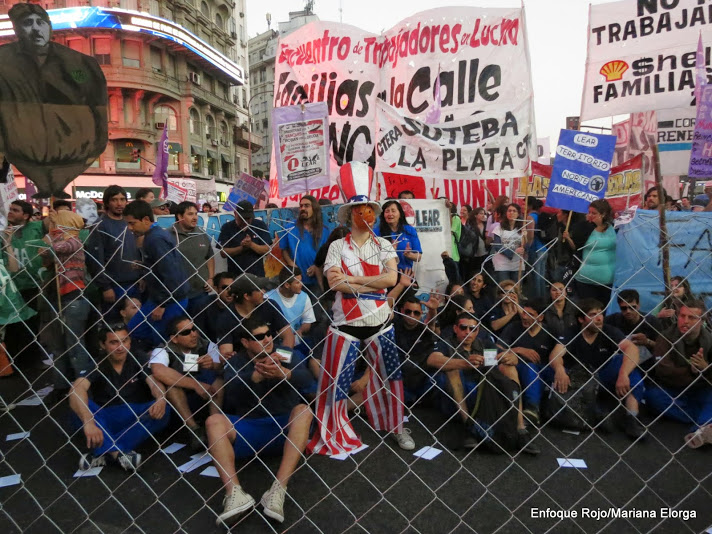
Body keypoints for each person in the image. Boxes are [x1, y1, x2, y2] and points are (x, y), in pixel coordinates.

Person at [307, 187, 413, 456]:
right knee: (336, 379)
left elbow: (391, 280)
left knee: (391, 375)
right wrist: (372, 286)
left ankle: (397, 426)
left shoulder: (385, 245)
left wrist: (352, 280)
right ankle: (332, 427)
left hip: (380, 320)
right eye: (359, 210)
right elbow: (334, 282)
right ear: (350, 216)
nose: (366, 214)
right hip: (345, 323)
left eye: (370, 210)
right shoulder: (336, 246)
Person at [209, 316, 313, 526]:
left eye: (269, 334)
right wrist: (253, 378)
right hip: (250, 430)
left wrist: (285, 374)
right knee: (213, 421)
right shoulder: (237, 361)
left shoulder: (284, 354)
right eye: (259, 337)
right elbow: (231, 394)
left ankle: (278, 491)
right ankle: (235, 494)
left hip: (283, 429)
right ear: (245, 342)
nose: (267, 339)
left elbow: (307, 379)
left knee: (303, 410)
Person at [0, 3, 108, 199]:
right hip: (24, 156)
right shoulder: (3, 61)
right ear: (16, 28)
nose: (35, 28)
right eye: (27, 23)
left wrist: (95, 145)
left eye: (40, 22)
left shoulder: (81, 63)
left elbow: (98, 110)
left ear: (49, 27)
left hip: (72, 157)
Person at [427, 312, 539, 454]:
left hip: (485, 392)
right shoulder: (447, 343)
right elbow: (432, 359)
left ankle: (520, 428)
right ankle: (469, 425)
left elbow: (510, 358)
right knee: (452, 369)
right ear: (455, 329)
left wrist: (508, 358)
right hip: (457, 396)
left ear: (477, 331)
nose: (468, 332)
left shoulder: (484, 344)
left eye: (472, 329)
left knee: (508, 367)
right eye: (463, 328)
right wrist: (464, 363)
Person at [69, 325, 170, 471]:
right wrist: (89, 421)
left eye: (124, 341)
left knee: (164, 410)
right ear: (103, 345)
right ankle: (119, 454)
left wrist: (161, 398)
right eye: (114, 342)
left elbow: (154, 384)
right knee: (78, 407)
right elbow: (77, 388)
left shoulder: (137, 357)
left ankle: (105, 452)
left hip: (133, 414)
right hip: (104, 416)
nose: (120, 347)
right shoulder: (98, 363)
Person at [557, 298, 645, 438]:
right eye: (592, 315)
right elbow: (556, 353)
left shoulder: (609, 330)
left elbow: (632, 349)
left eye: (600, 314)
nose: (599, 318)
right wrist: (559, 370)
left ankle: (632, 417)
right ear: (581, 319)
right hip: (580, 379)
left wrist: (623, 374)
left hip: (603, 375)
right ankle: (597, 414)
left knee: (627, 363)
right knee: (556, 369)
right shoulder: (571, 332)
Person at [149, 315, 223, 450]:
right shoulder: (163, 350)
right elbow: (158, 370)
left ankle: (214, 424)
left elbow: (224, 366)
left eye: (194, 329)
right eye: (186, 332)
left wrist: (213, 365)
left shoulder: (206, 345)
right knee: (171, 386)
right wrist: (195, 385)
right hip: (180, 405)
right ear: (174, 338)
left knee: (220, 380)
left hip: (209, 397)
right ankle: (194, 430)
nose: (193, 334)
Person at [123, 200, 190, 346]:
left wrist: (162, 304)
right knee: (138, 330)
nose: (130, 228)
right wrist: (144, 266)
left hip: (169, 299)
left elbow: (170, 273)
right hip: (161, 297)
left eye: (132, 223)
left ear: (146, 219)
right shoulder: (154, 235)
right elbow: (161, 265)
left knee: (164, 341)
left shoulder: (155, 239)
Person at [646, 300, 712, 447]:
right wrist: (691, 370)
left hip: (699, 388)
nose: (685, 321)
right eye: (682, 316)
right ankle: (705, 422)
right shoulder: (665, 338)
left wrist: (706, 367)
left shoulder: (709, 340)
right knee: (653, 397)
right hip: (673, 389)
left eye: (692, 318)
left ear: (702, 321)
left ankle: (699, 431)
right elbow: (663, 370)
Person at [40, 210, 92, 394]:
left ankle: (82, 384)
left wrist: (50, 234)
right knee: (58, 345)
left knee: (74, 344)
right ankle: (61, 385)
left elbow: (53, 248)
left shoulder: (74, 242)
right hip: (58, 298)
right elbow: (45, 256)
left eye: (57, 225)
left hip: (73, 299)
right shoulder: (63, 241)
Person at [498, 299, 563, 425]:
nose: (524, 317)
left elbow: (559, 352)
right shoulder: (513, 328)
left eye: (530, 315)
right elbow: (498, 348)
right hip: (522, 368)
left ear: (540, 317)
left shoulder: (550, 332)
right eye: (524, 313)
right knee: (530, 367)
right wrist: (518, 350)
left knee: (562, 371)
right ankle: (532, 408)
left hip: (544, 369)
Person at [85, 185, 141, 320]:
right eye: (114, 200)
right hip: (114, 286)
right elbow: (94, 259)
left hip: (135, 283)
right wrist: (105, 287)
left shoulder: (131, 222)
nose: (119, 203)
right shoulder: (100, 225)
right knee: (115, 326)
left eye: (122, 199)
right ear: (107, 202)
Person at [2, 199, 44, 366]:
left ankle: (32, 360)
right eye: (10, 209)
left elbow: (52, 225)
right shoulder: (3, 232)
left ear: (26, 215)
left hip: (32, 286)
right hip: (11, 288)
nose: (10, 212)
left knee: (31, 325)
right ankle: (13, 362)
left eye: (15, 210)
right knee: (12, 326)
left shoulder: (36, 227)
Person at [217, 273, 295, 359]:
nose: (263, 291)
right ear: (246, 296)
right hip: (245, 361)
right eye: (259, 289)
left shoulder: (270, 306)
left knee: (297, 360)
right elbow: (226, 352)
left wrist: (282, 358)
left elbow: (288, 336)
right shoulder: (226, 317)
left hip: (274, 355)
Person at [171, 201, 215, 317]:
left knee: (199, 324)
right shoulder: (169, 235)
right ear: (180, 216)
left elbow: (209, 256)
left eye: (196, 214)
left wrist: (210, 278)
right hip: (177, 294)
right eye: (190, 214)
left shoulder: (201, 234)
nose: (195, 217)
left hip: (200, 292)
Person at [278, 195, 329, 293]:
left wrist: (317, 266)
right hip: (296, 280)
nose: (303, 209)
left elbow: (328, 253)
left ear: (314, 208)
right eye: (301, 206)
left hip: (317, 280)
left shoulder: (324, 231)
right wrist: (292, 264)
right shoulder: (290, 228)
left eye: (306, 206)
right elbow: (284, 250)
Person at [393, 296, 436, 405]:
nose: (412, 316)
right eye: (408, 312)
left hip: (420, 374)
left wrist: (433, 310)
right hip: (399, 374)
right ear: (402, 311)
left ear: (421, 314)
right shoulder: (394, 325)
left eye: (416, 313)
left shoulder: (423, 329)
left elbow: (431, 325)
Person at [573, 199, 616, 305]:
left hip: (608, 280)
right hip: (586, 279)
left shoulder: (614, 227)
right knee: (588, 311)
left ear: (603, 214)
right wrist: (586, 224)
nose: (590, 215)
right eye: (589, 212)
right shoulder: (584, 227)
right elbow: (575, 246)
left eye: (594, 213)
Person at [605, 289, 661, 365]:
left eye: (632, 307)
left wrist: (647, 341)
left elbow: (662, 346)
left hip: (647, 362)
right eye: (624, 308)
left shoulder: (651, 321)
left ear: (638, 305)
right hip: (621, 360)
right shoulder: (613, 320)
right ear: (619, 307)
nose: (628, 311)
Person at [265, 267, 316, 348]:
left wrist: (301, 330)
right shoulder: (268, 298)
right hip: (274, 343)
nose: (301, 284)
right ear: (287, 285)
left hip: (296, 342)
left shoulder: (304, 297)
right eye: (297, 282)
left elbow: (308, 321)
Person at [218, 200, 270, 276]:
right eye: (242, 218)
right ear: (235, 214)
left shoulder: (260, 225)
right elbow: (223, 252)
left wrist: (251, 245)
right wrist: (242, 248)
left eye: (248, 218)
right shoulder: (227, 227)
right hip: (235, 275)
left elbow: (267, 249)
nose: (245, 222)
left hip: (257, 275)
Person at [374, 199, 422, 273]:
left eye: (393, 211)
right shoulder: (376, 232)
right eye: (387, 211)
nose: (390, 214)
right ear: (383, 215)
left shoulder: (410, 230)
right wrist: (389, 253)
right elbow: (372, 258)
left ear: (400, 214)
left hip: (406, 273)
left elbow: (418, 257)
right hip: (385, 273)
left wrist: (409, 255)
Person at [194, 272, 235, 344]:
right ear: (216, 288)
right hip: (209, 346)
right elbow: (199, 335)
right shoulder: (203, 305)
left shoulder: (239, 305)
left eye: (233, 287)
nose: (230, 292)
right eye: (225, 287)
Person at [491, 203, 527, 283]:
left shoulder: (522, 228)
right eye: (509, 211)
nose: (511, 213)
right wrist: (513, 251)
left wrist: (526, 238)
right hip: (502, 264)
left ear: (518, 214)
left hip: (517, 264)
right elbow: (497, 246)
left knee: (516, 289)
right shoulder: (499, 228)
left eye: (514, 211)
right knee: (504, 288)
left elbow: (526, 246)